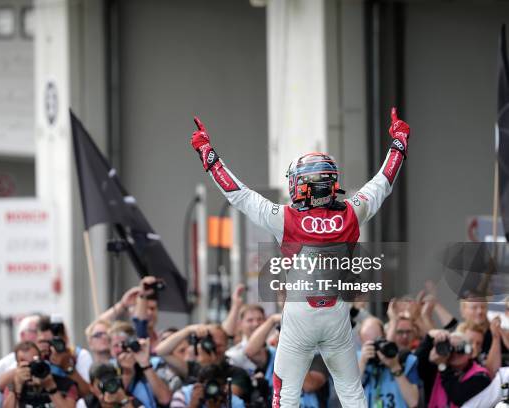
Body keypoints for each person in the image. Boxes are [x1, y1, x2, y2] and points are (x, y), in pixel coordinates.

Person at [189, 108, 411, 407]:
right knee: (351, 391)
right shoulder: (353, 212)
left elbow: (238, 194)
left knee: (285, 392)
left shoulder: (286, 218)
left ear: (303, 185)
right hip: (337, 315)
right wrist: (399, 141)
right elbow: (383, 181)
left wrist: (208, 153)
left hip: (300, 315)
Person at [357, 317, 419, 408]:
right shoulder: (355, 359)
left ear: (385, 335)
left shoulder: (406, 360)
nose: (375, 348)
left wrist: (395, 366)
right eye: (369, 344)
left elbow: (413, 402)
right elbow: (346, 396)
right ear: (361, 340)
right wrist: (362, 363)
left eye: (377, 342)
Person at [425, 329, 491, 407]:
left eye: (461, 348)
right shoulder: (436, 368)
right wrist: (431, 336)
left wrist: (443, 366)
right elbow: (419, 361)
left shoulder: (481, 376)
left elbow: (457, 396)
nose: (455, 353)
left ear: (470, 353)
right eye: (451, 348)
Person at [0, 314, 40, 378]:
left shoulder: (48, 361)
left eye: (42, 331)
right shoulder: (3, 366)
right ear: (22, 335)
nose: (40, 336)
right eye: (35, 331)